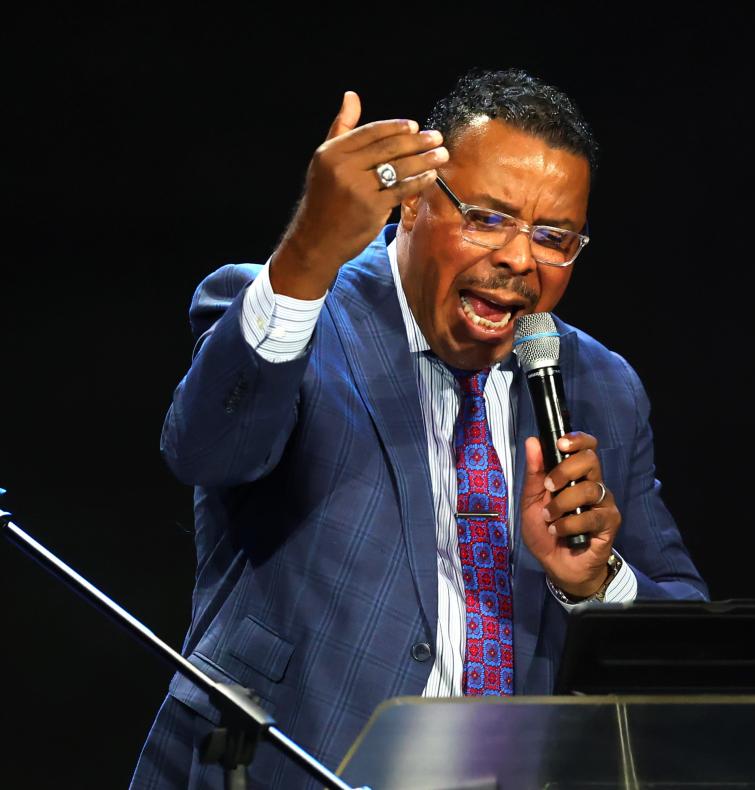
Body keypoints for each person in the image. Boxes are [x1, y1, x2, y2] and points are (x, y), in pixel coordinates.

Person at [129, 69, 707, 788]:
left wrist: (598, 585)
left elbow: (694, 641)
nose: (520, 259)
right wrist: (309, 252)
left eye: (554, 236)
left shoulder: (601, 386)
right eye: (488, 218)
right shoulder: (301, 313)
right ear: (411, 207)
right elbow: (207, 450)